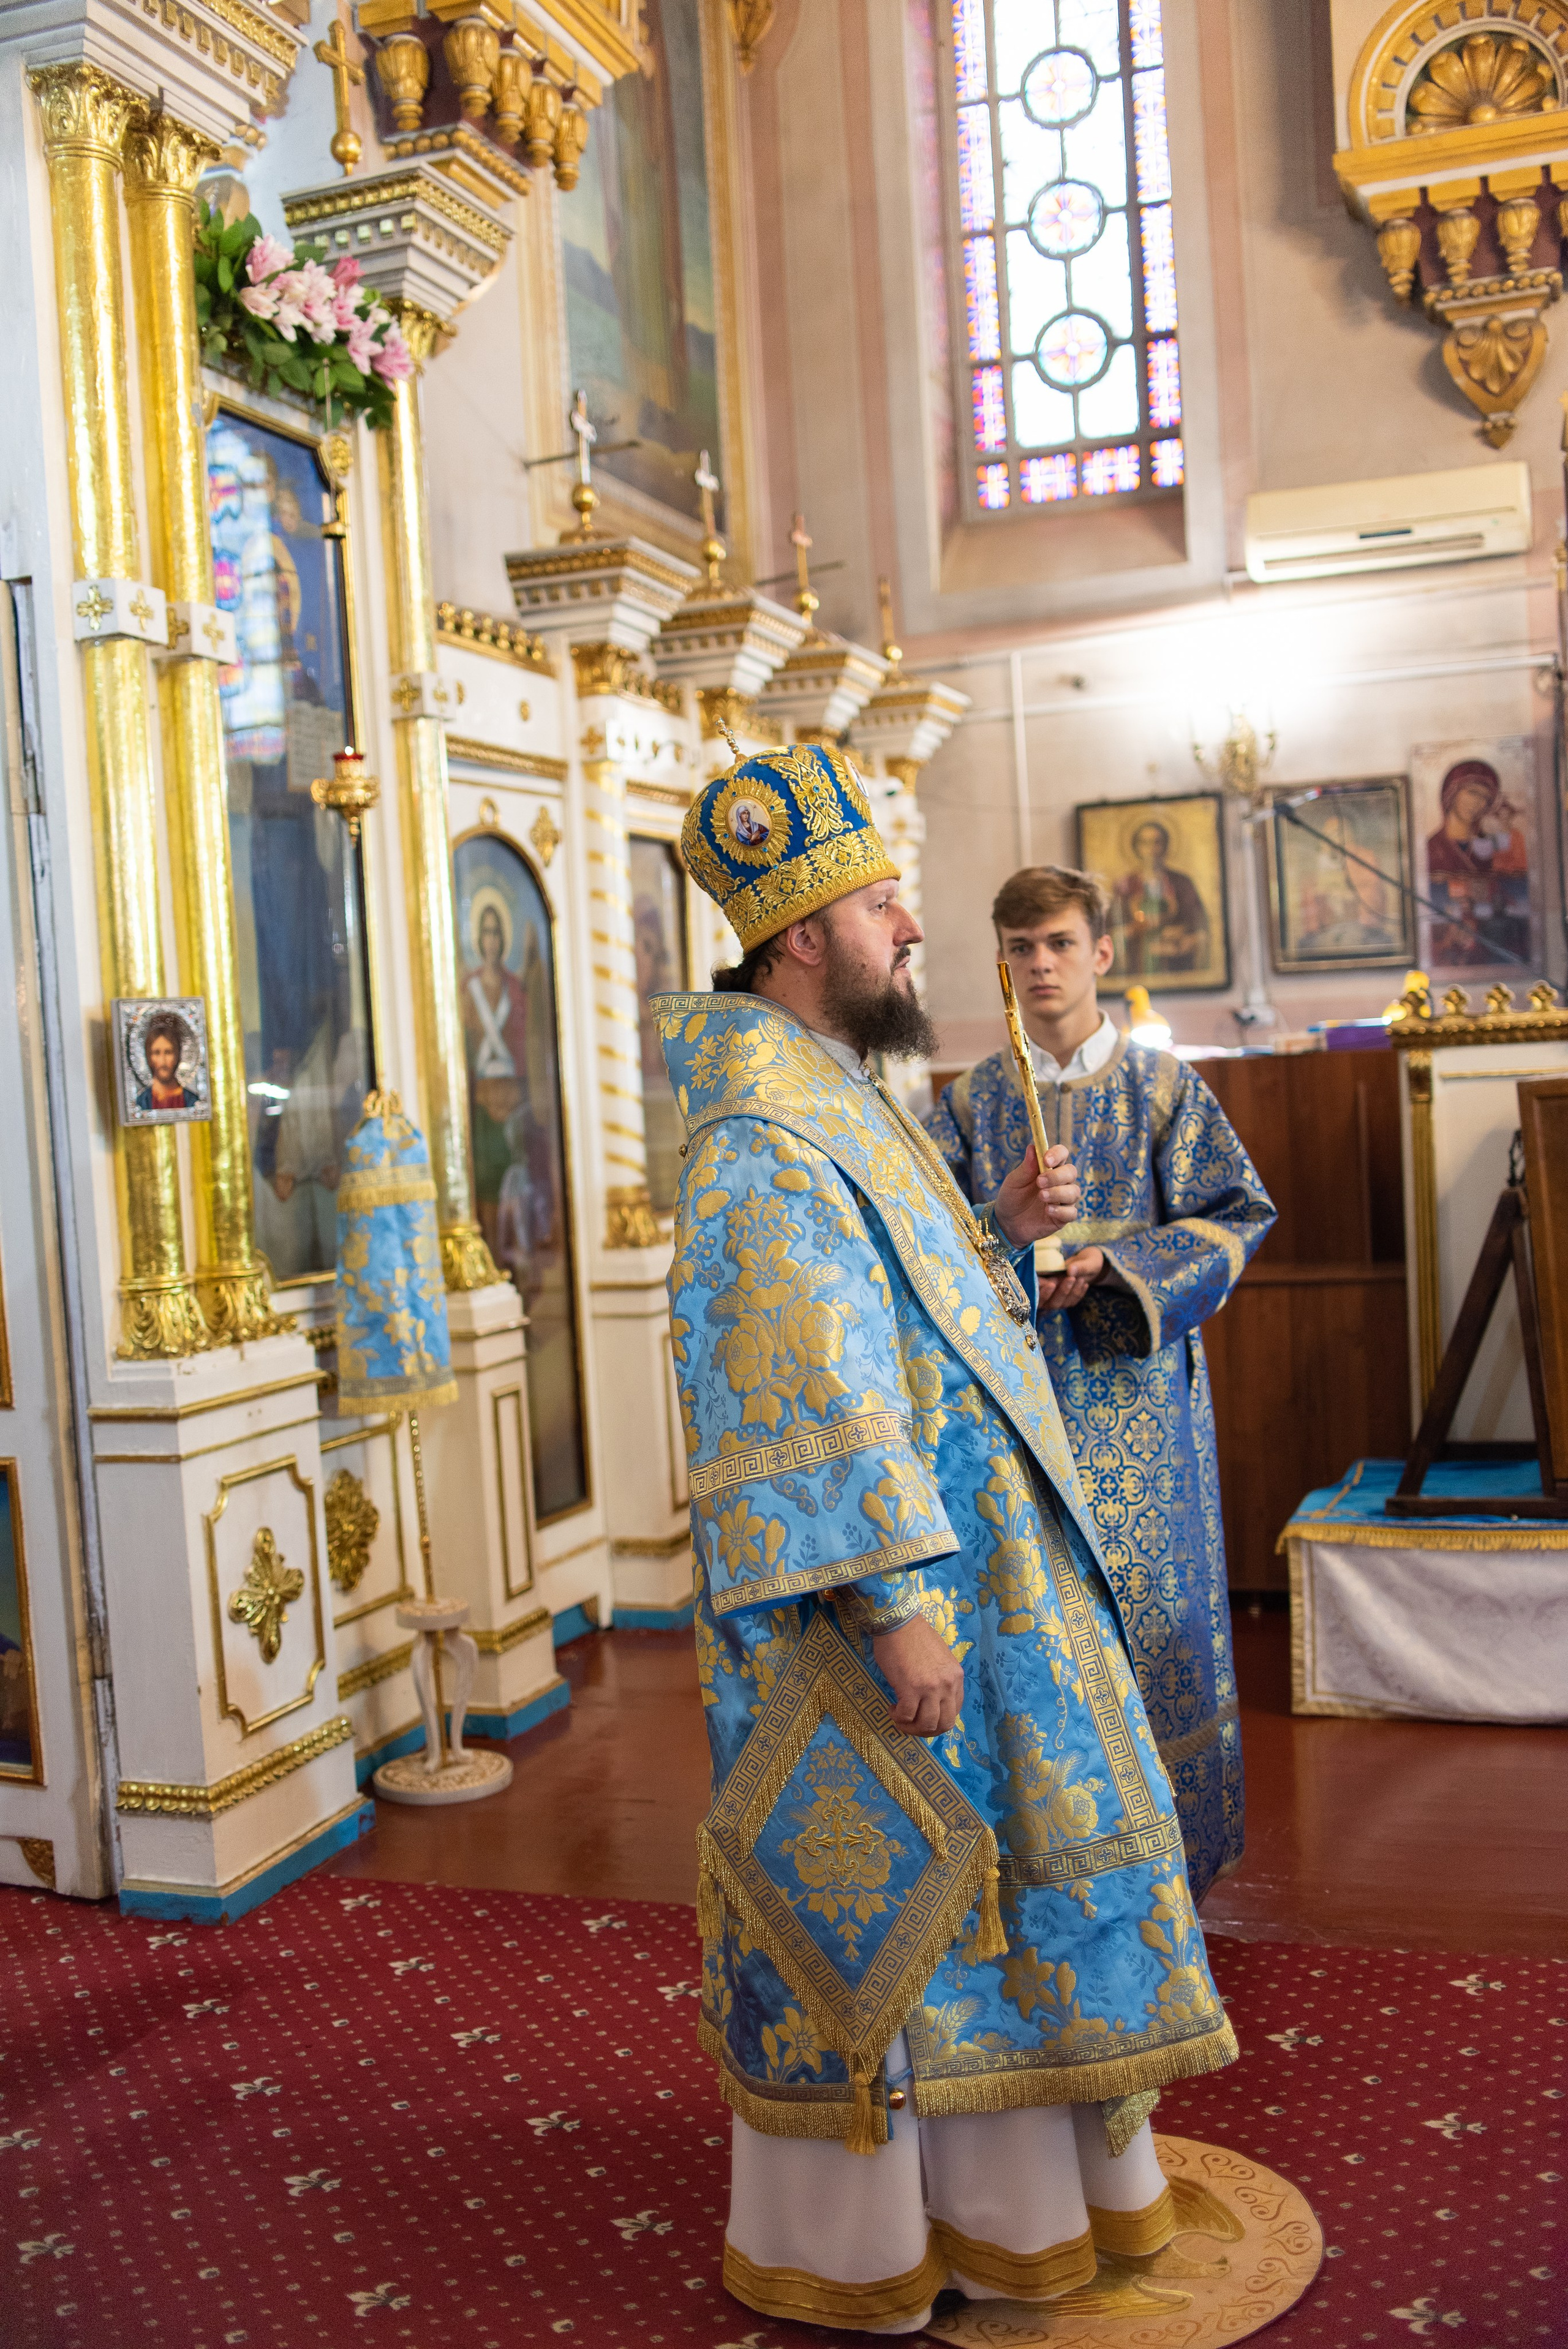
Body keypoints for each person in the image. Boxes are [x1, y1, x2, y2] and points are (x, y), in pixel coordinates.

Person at [660, 752, 1237, 2334]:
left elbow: (902, 1318)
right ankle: (875, 2237)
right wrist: (890, 1596)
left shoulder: (840, 1091)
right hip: (894, 1594)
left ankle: (1021, 2210)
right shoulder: (761, 1132)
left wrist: (990, 1245)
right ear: (798, 938)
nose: (914, 925)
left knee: (1014, 1876)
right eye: (879, 902)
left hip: (979, 1569)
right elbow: (794, 1378)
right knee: (920, 1907)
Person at [925, 865, 1275, 1901]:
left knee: (1153, 1615)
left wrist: (1119, 1271)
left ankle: (1171, 1858)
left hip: (1140, 1405)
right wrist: (1005, 1235)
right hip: (1021, 1406)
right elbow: (937, 1252)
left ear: (1102, 954)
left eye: (1060, 944)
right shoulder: (972, 1100)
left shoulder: (1165, 1087)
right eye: (1021, 947)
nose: (1040, 965)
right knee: (1035, 1621)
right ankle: (1057, 1853)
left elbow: (1237, 1214)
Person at [1424, 758, 1529, 966]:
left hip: (1493, 946)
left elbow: (1519, 893)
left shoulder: (1494, 846)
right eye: (1472, 793)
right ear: (1452, 793)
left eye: (1485, 798)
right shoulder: (1433, 849)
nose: (1478, 804)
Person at [1110, 818, 1208, 976]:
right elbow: (1111, 930)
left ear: (1165, 847)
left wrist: (1183, 935)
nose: (1152, 849)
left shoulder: (1182, 883)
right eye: (1145, 843)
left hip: (1174, 962)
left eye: (1157, 843)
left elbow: (1199, 924)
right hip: (1137, 963)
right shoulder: (1125, 885)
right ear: (1136, 847)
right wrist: (1133, 930)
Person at [134, 1014, 198, 1112]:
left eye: (168, 1052)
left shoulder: (192, 1102)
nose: (163, 1061)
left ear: (177, 1055)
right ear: (149, 1057)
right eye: (156, 1053)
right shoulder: (141, 1103)